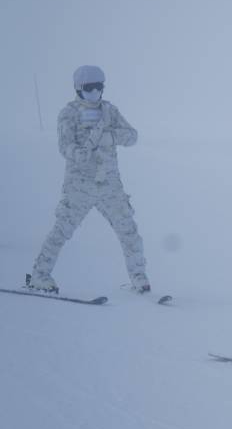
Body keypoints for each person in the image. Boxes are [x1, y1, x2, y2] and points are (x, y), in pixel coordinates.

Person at [27, 66, 150, 294]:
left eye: (99, 86)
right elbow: (64, 145)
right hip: (79, 186)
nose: (95, 92)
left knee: (128, 231)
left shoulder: (109, 112)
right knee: (61, 231)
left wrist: (110, 136)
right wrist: (77, 153)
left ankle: (139, 278)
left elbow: (132, 136)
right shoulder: (69, 113)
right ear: (78, 88)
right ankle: (40, 275)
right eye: (89, 87)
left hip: (110, 186)